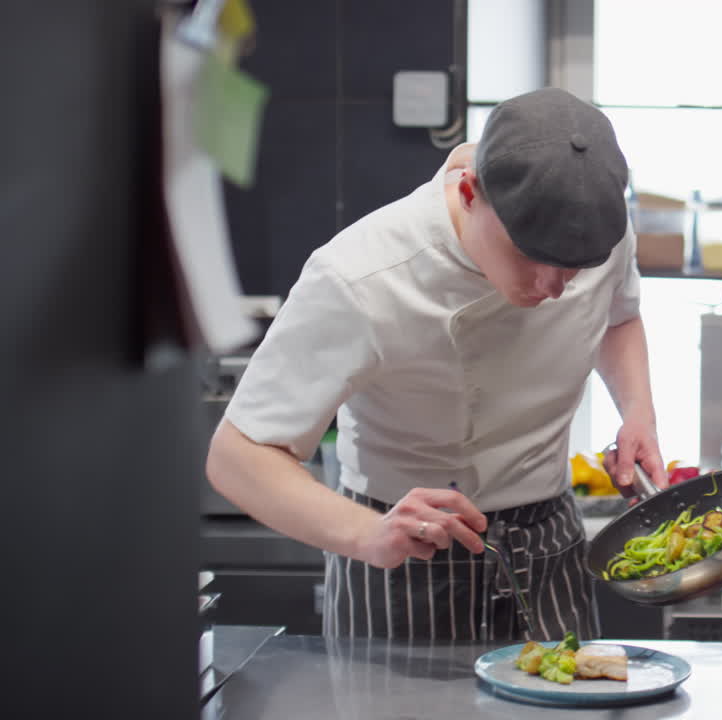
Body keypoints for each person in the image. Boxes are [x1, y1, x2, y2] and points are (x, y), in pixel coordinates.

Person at [206, 87, 667, 643]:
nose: (554, 287)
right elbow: (237, 456)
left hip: (549, 541)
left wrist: (637, 411)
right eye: (530, 255)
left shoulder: (594, 224)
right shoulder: (360, 276)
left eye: (576, 268)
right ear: (469, 192)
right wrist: (368, 534)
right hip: (404, 556)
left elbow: (616, 318)